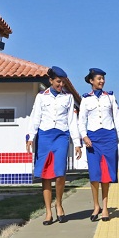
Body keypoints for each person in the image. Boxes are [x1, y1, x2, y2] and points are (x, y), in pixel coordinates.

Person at [26, 66, 82, 226]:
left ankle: (59, 204)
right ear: (51, 81)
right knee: (45, 174)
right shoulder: (41, 97)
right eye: (58, 82)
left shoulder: (68, 98)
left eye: (63, 82)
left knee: (59, 173)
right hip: (44, 136)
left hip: (61, 136)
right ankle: (48, 211)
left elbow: (72, 120)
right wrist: (31, 136)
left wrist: (76, 142)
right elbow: (35, 117)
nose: (61, 85)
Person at [78, 68, 119, 222]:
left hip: (108, 137)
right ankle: (96, 205)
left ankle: (105, 207)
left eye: (103, 78)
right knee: (94, 174)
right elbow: (81, 120)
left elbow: (117, 118)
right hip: (92, 138)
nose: (102, 81)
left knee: (106, 173)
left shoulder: (110, 97)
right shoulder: (85, 99)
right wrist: (84, 136)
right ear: (91, 81)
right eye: (99, 78)